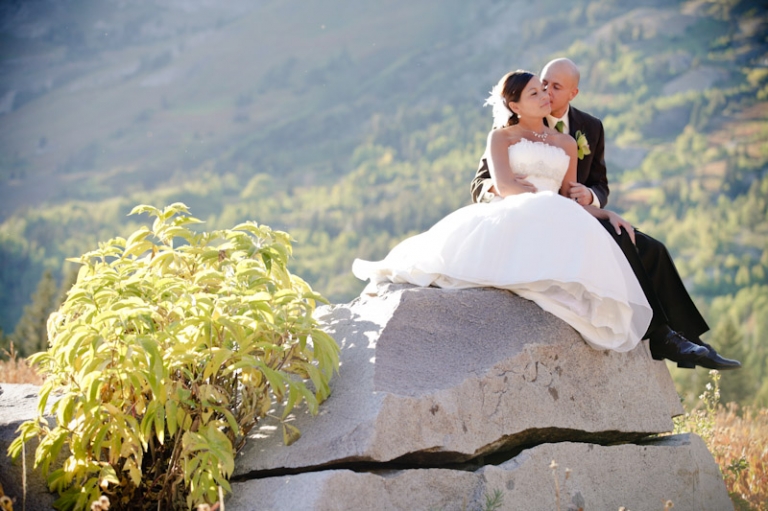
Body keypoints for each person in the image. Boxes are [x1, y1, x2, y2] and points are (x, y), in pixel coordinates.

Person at [470, 58, 740, 371]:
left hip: (574, 212)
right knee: (618, 244)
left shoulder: (587, 129)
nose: (546, 92)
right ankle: (663, 335)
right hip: (536, 216)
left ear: (573, 93)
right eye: (542, 85)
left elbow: (598, 184)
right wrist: (512, 192)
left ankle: (690, 340)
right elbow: (482, 181)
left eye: (555, 87)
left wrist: (596, 201)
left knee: (650, 247)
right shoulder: (506, 132)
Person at [354, 70, 653, 353]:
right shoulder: (502, 137)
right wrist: (541, 200)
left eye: (544, 89)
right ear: (515, 105)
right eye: (534, 92)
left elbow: (569, 197)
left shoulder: (566, 143)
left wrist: (605, 214)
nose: (545, 95)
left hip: (556, 212)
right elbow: (505, 185)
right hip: (517, 208)